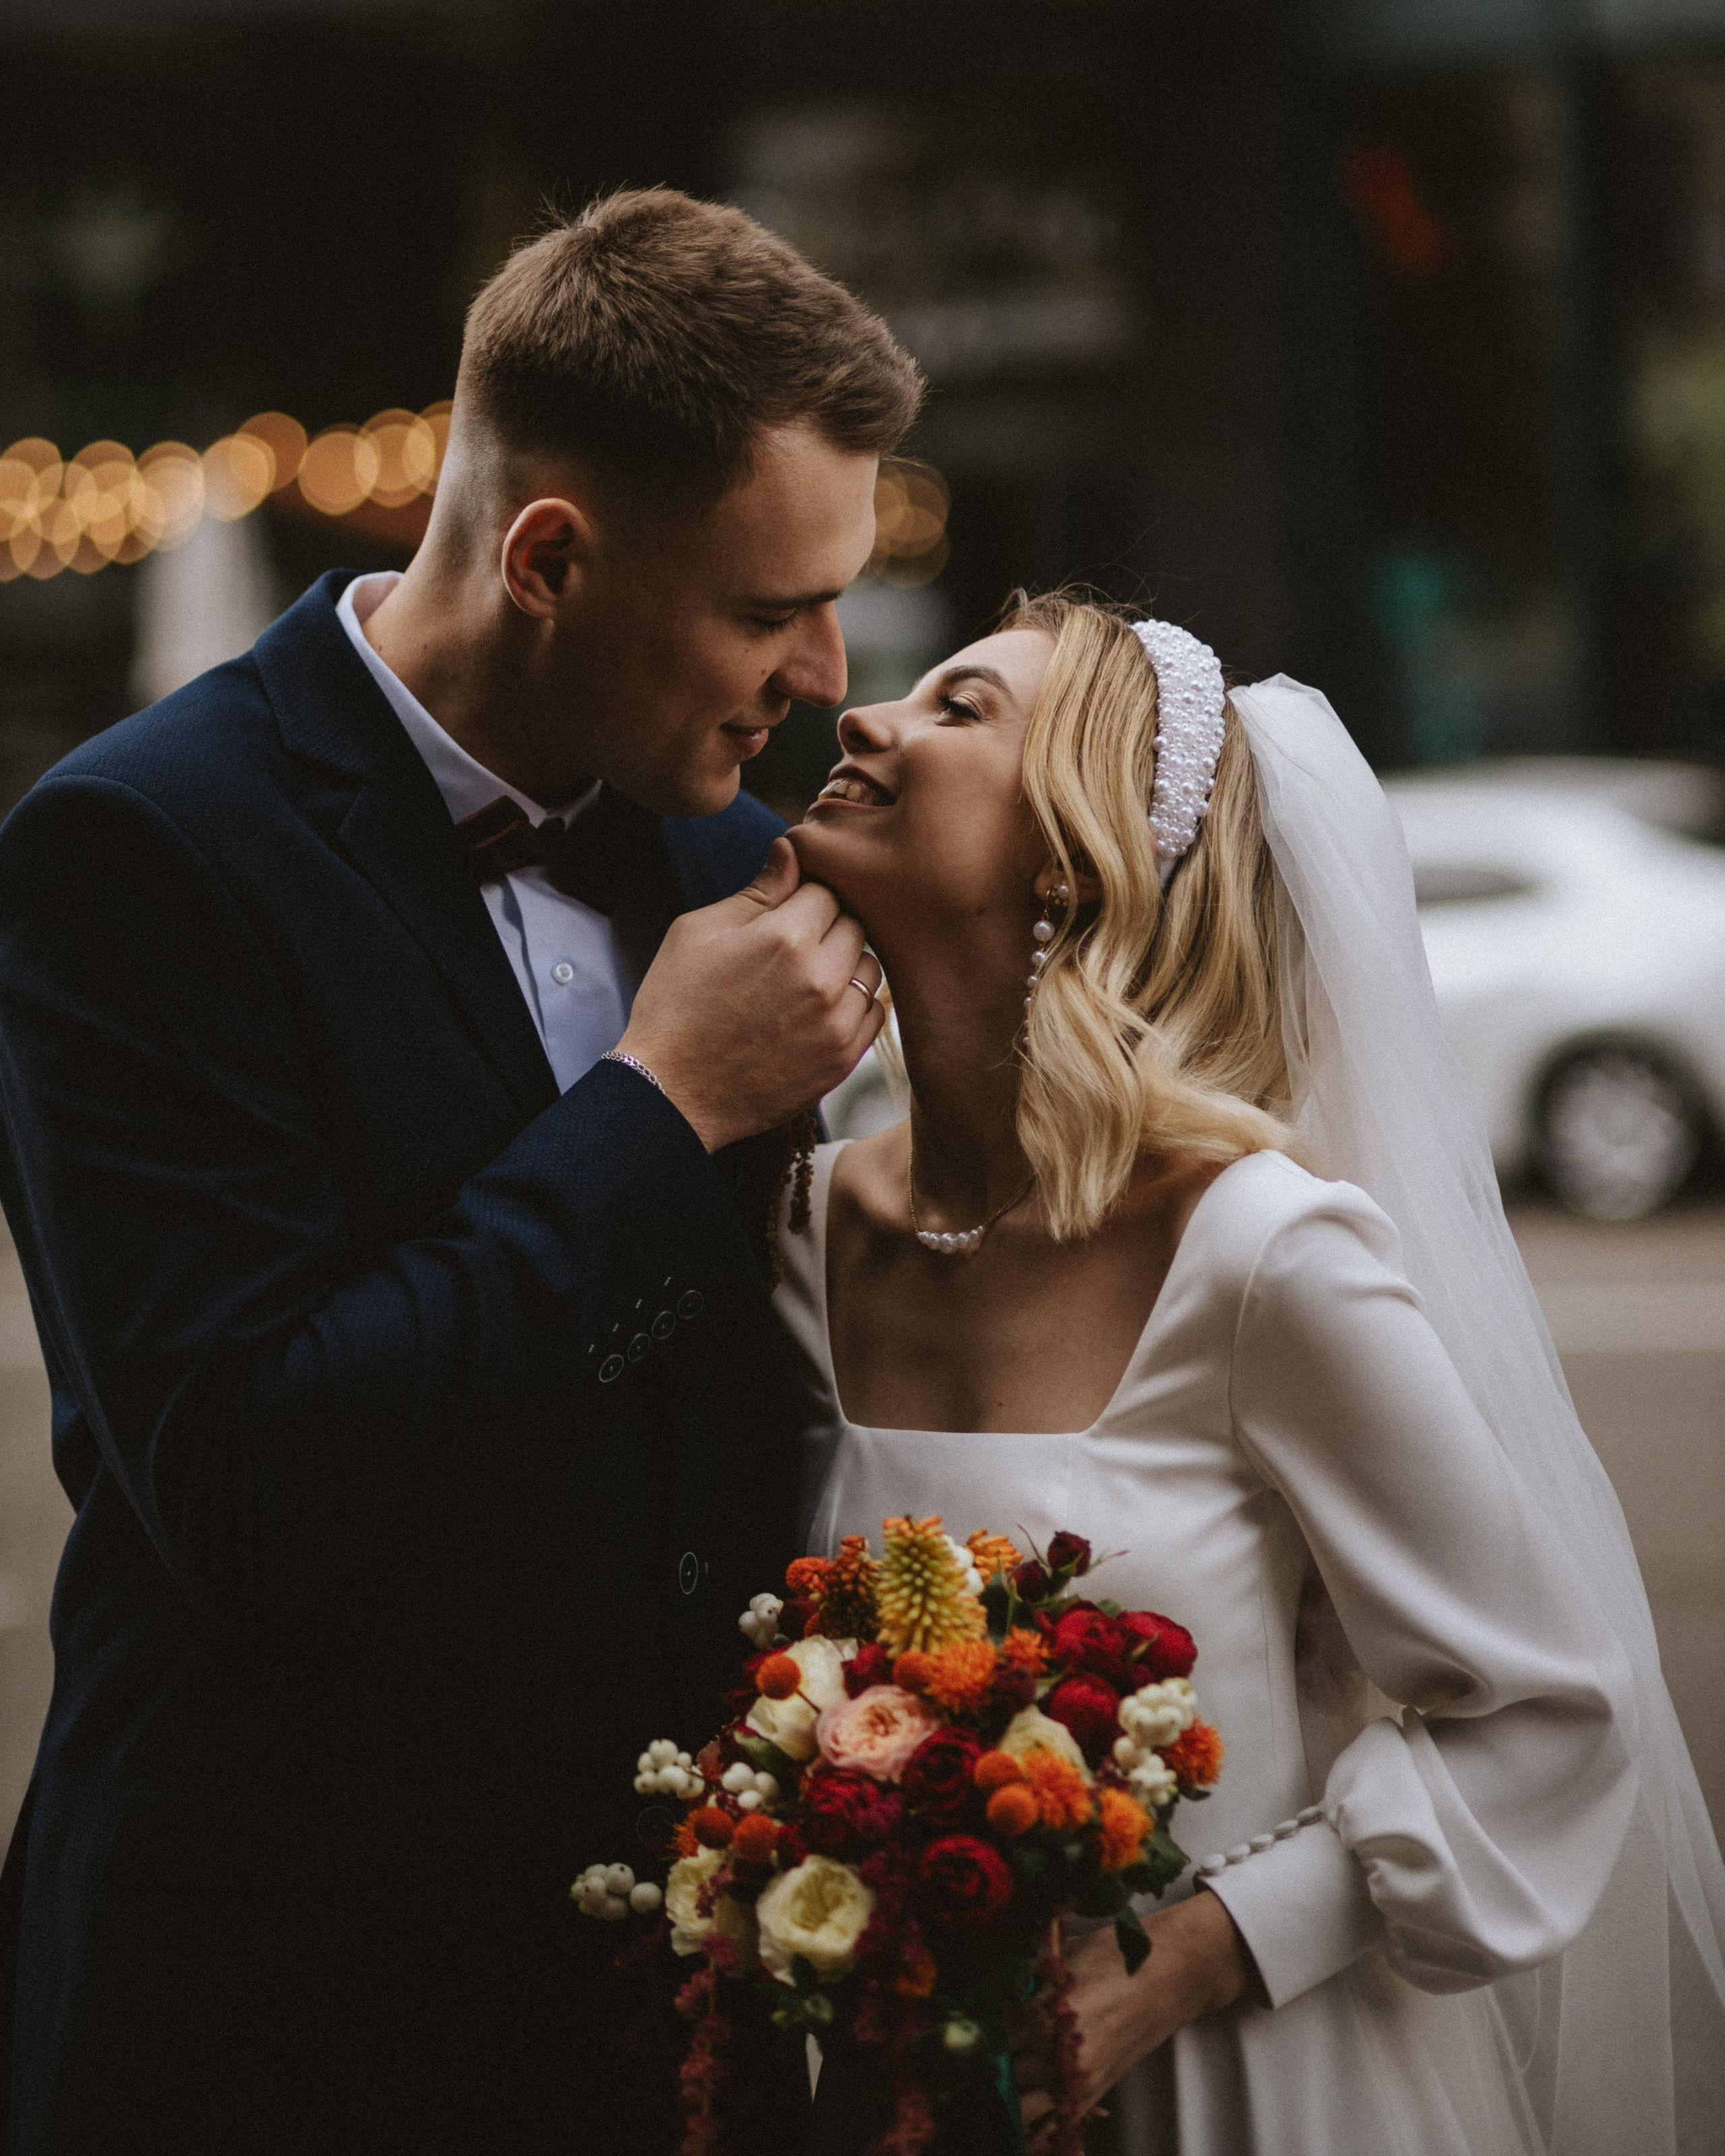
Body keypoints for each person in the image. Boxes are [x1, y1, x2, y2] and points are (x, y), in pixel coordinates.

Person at [0, 187, 918, 2156]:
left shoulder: (712, 855)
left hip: (672, 2003)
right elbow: (246, 1470)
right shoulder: (136, 855)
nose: (827, 671)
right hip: (284, 2010)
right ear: (554, 558)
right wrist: (660, 1107)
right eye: (771, 608)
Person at [775, 592, 1725, 2154]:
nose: (861, 717)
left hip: (1245, 2087)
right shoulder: (804, 1233)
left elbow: (1550, 1710)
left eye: (958, 711)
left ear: (1069, 860)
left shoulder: (1259, 1253)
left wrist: (1191, 1955)